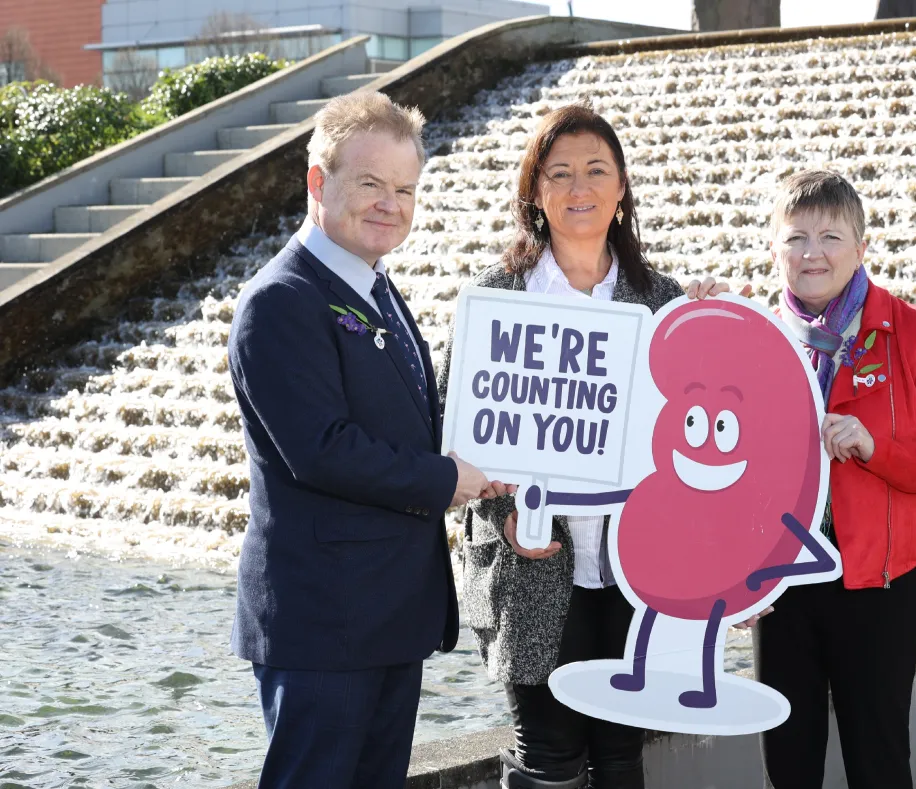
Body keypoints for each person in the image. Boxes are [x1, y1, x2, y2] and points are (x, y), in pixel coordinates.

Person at [437, 102, 736, 789]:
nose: (580, 189)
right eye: (560, 172)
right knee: (547, 758)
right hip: (529, 571)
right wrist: (500, 516)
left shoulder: (662, 303)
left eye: (596, 170)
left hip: (636, 576)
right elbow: (455, 445)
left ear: (622, 188)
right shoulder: (492, 299)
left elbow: (700, 435)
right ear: (535, 190)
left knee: (624, 758)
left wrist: (717, 321)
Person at [227, 91, 504, 789]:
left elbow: (409, 422)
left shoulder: (375, 285)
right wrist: (449, 479)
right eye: (371, 184)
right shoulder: (281, 300)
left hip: (385, 613)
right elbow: (322, 447)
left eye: (405, 189)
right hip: (323, 623)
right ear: (319, 183)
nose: (390, 204)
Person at [746, 170, 916, 789]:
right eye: (796, 237)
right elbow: (725, 473)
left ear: (861, 246)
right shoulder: (754, 339)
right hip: (783, 584)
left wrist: (877, 447)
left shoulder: (911, 332)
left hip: (881, 587)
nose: (812, 253)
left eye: (830, 236)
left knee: (877, 765)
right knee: (788, 766)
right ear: (775, 249)